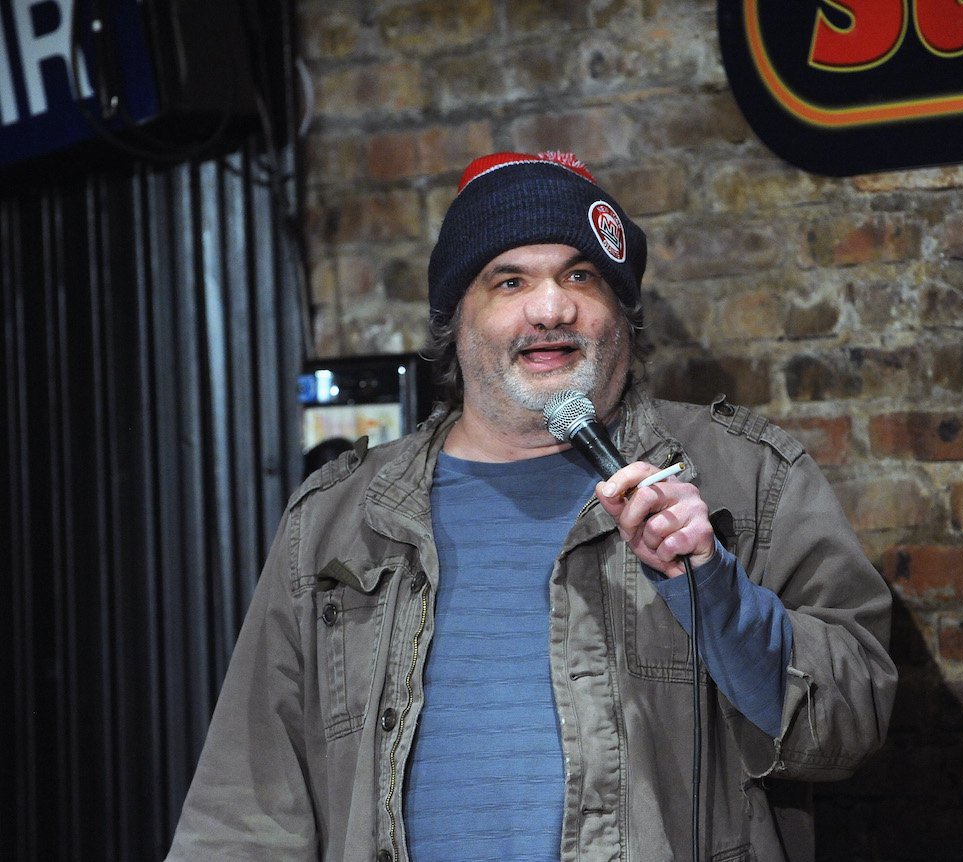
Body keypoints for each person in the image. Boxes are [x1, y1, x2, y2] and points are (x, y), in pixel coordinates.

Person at [167, 151, 897, 861]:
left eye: (581, 275)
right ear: (457, 322)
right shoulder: (337, 519)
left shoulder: (744, 479)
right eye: (509, 280)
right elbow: (247, 804)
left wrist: (716, 590)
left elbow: (853, 721)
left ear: (622, 313)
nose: (551, 308)